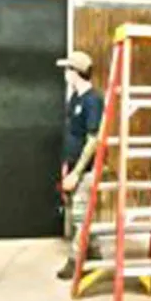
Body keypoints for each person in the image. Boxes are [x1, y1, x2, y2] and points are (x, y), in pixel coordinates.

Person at [55, 51, 105, 280]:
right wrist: (66, 166)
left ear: (77, 72)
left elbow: (93, 140)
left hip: (86, 169)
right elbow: (72, 134)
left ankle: (76, 261)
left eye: (67, 69)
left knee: (79, 216)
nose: (65, 74)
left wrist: (77, 172)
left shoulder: (93, 100)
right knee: (82, 213)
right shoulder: (74, 98)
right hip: (73, 165)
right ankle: (94, 252)